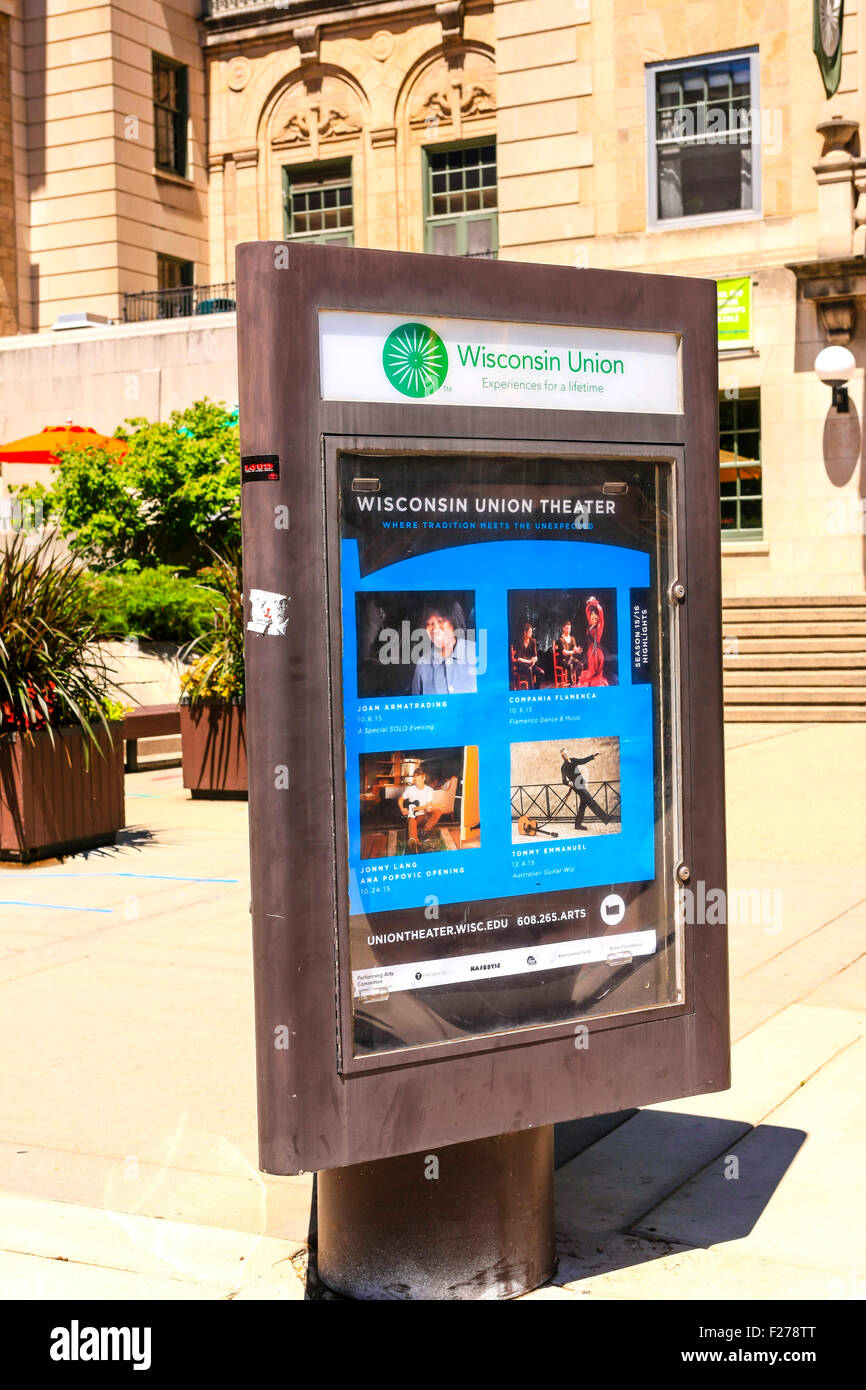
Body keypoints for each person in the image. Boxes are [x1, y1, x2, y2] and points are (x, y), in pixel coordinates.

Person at [411, 600, 477, 694]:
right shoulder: (422, 666)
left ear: (454, 622)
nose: (436, 629)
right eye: (429, 624)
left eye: (440, 621)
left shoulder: (477, 653)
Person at [560, 747, 609, 830]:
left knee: (583, 804)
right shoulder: (563, 767)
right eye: (563, 755)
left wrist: (592, 756)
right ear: (562, 757)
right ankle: (605, 818)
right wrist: (569, 783)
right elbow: (564, 781)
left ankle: (577, 824)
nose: (565, 756)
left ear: (567, 753)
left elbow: (583, 761)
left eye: (565, 754)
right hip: (577, 786)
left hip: (581, 784)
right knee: (590, 800)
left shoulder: (573, 760)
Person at [398, 768, 442, 843]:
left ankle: (424, 831)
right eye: (415, 780)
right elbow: (401, 799)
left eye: (419, 780)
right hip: (414, 817)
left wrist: (429, 808)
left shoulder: (429, 790)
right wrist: (402, 808)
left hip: (425, 816)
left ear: (423, 778)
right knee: (411, 819)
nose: (417, 783)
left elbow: (429, 806)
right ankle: (413, 842)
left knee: (438, 811)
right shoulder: (410, 789)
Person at [578, 596, 609, 687]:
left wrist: (595, 602)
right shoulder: (591, 625)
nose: (594, 620)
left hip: (596, 653)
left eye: (596, 619)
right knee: (591, 675)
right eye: (592, 619)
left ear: (598, 619)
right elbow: (587, 611)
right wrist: (589, 603)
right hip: (590, 651)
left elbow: (600, 612)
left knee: (595, 676)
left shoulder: (600, 626)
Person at [514, 623, 542, 689]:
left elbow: (535, 657)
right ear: (525, 632)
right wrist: (529, 661)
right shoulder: (519, 642)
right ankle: (531, 691)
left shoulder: (533, 641)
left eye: (531, 632)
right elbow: (518, 659)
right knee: (529, 669)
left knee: (541, 672)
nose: (531, 633)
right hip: (521, 665)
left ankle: (536, 690)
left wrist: (534, 661)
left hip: (530, 665)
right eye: (529, 632)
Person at [555, 620, 584, 685]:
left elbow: (574, 647)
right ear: (563, 628)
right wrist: (573, 652)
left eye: (569, 628)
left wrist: (577, 650)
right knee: (570, 665)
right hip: (562, 660)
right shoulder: (560, 640)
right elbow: (564, 652)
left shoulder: (572, 638)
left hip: (570, 659)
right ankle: (571, 683)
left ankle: (577, 682)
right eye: (567, 628)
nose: (568, 630)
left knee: (580, 665)